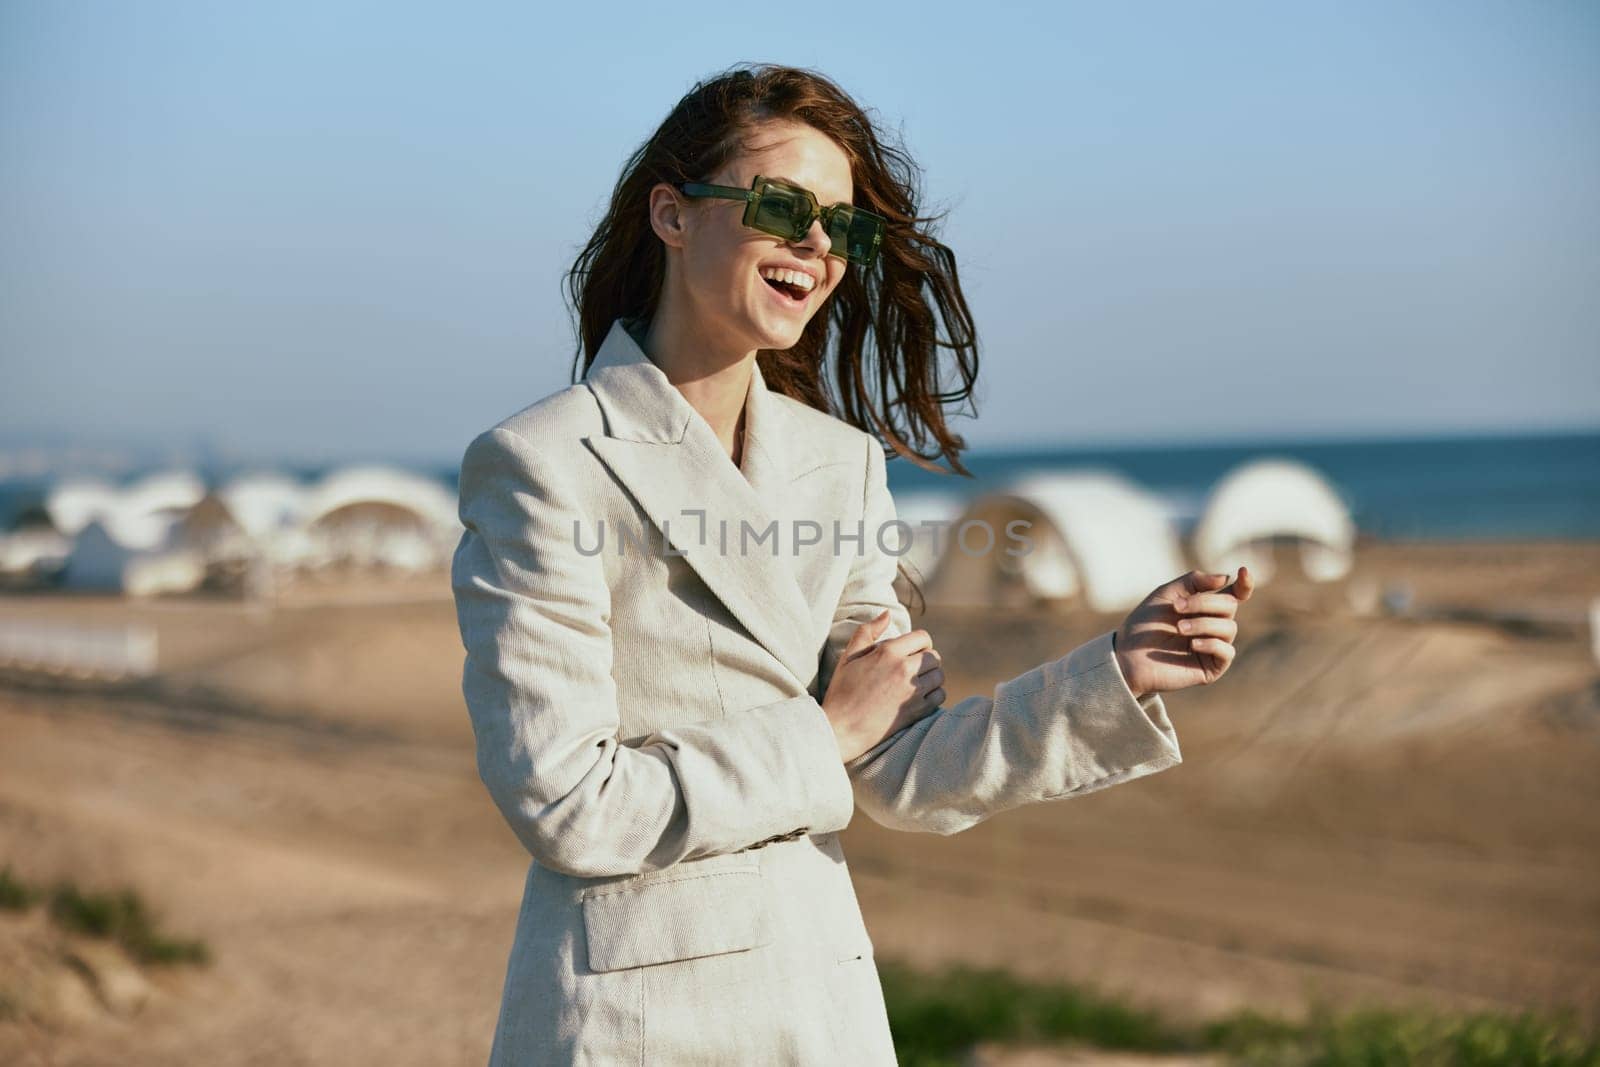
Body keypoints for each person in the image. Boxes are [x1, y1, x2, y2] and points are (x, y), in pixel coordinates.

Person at [451, 62, 1254, 1066]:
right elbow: (569, 805)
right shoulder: (541, 462)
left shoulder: (839, 464)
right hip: (630, 1026)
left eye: (846, 226)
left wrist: (1117, 668)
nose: (819, 246)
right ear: (671, 213)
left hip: (819, 1007)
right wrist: (823, 729)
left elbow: (902, 767)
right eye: (784, 205)